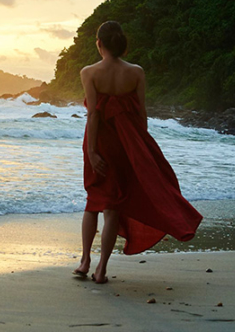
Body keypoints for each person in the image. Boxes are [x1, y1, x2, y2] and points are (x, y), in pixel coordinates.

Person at [73, 21, 202, 284]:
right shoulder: (137, 72)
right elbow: (141, 113)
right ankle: (102, 269)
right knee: (113, 208)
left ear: (99, 44)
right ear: (122, 45)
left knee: (93, 203)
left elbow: (93, 115)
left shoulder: (89, 72)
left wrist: (92, 150)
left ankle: (85, 261)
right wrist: (139, 148)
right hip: (127, 143)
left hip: (100, 142)